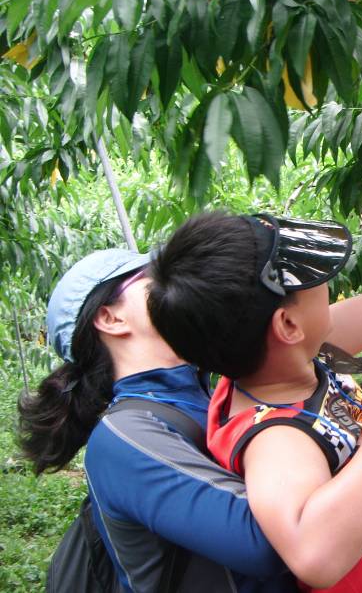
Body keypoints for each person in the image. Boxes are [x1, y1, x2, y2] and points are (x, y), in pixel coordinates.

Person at [146, 152, 362, 591]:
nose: (326, 283)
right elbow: (315, 555)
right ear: (288, 325)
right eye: (310, 277)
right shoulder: (275, 437)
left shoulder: (288, 361)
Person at [17, 249, 294, 592]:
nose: (180, 286)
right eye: (157, 279)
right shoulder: (124, 438)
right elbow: (279, 543)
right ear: (111, 318)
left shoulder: (211, 392)